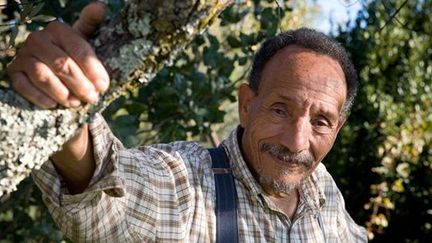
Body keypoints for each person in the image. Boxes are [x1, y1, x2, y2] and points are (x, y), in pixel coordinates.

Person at [8, 2, 367, 242]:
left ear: (337, 129)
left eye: (321, 121)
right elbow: (106, 200)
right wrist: (67, 103)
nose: (296, 142)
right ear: (246, 104)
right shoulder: (187, 186)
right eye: (279, 110)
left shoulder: (323, 194)